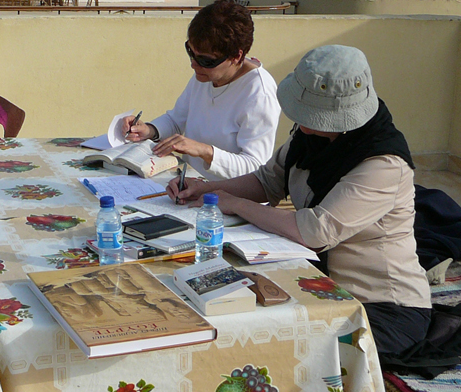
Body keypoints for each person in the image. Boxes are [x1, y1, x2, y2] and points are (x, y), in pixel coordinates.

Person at [175, 45, 432, 356]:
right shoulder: (314, 136)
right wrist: (208, 190)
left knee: (284, 351)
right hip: (319, 285)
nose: (301, 120)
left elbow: (315, 231)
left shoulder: (383, 163)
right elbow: (268, 180)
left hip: (379, 306)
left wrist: (235, 204)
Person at [123, 0, 279, 181]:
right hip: (190, 185)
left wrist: (204, 151)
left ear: (236, 56)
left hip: (230, 200)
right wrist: (149, 130)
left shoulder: (259, 93)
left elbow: (255, 168)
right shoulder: (207, 75)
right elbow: (176, 120)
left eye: (205, 60)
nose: (194, 65)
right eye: (190, 52)